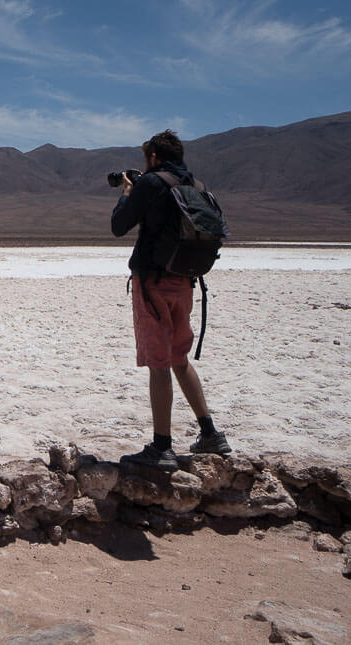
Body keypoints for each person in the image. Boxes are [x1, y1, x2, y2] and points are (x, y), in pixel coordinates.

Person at [110, 129, 231, 471]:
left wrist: (127, 193)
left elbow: (120, 225)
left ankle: (162, 446)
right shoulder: (196, 186)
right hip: (186, 282)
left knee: (159, 362)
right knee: (179, 357)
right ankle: (210, 433)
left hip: (153, 282)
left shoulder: (151, 183)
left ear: (154, 157)